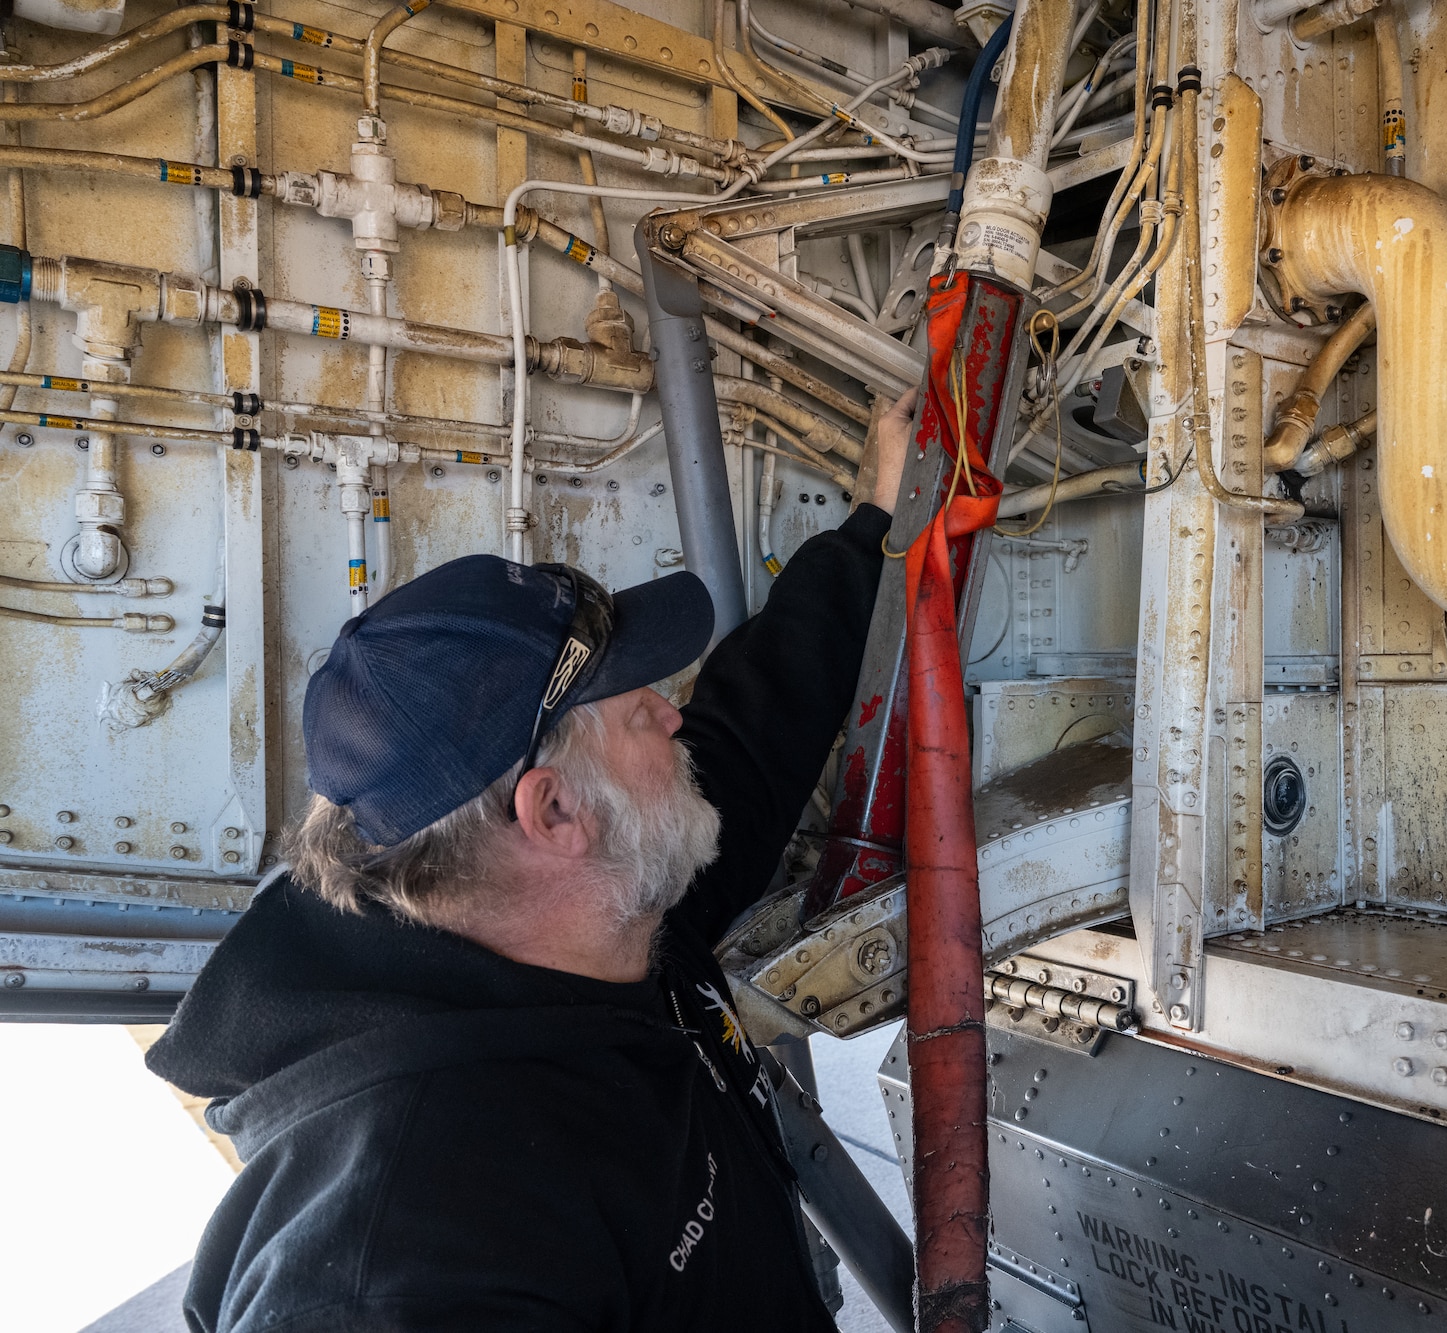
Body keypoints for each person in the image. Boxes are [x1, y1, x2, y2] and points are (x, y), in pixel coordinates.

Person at [147, 389, 920, 1332]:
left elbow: (758, 725)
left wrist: (881, 510)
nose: (675, 718)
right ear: (554, 811)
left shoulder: (597, 906)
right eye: (643, 709)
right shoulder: (399, 1257)